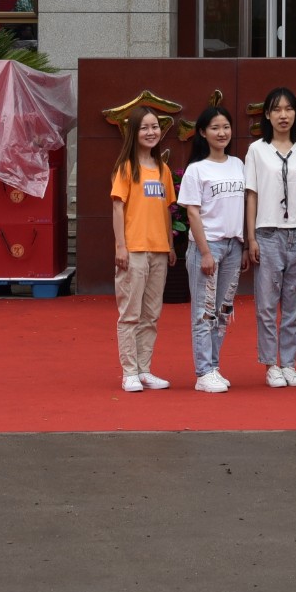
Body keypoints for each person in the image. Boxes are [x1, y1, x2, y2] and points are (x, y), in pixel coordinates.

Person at [245, 86, 296, 389]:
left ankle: (289, 363)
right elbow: (251, 195)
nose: (283, 115)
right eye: (277, 109)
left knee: (294, 304)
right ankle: (270, 365)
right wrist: (251, 238)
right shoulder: (257, 150)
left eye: (288, 109)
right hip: (268, 234)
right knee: (266, 305)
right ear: (267, 115)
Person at [178, 104, 248, 394]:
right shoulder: (196, 170)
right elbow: (193, 213)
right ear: (203, 133)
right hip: (207, 247)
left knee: (222, 311)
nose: (222, 133)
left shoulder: (238, 164)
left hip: (233, 246)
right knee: (203, 312)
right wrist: (205, 252)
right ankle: (203, 372)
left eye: (226, 127)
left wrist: (244, 246)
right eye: (215, 128)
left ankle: (214, 367)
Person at [109, 106, 177, 393]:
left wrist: (170, 245)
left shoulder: (163, 170)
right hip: (134, 250)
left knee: (151, 315)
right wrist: (120, 246)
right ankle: (129, 373)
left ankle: (144, 370)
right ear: (134, 133)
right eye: (144, 127)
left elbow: (167, 210)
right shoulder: (126, 168)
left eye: (155, 127)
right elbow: (117, 207)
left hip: (158, 250)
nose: (151, 132)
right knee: (130, 314)